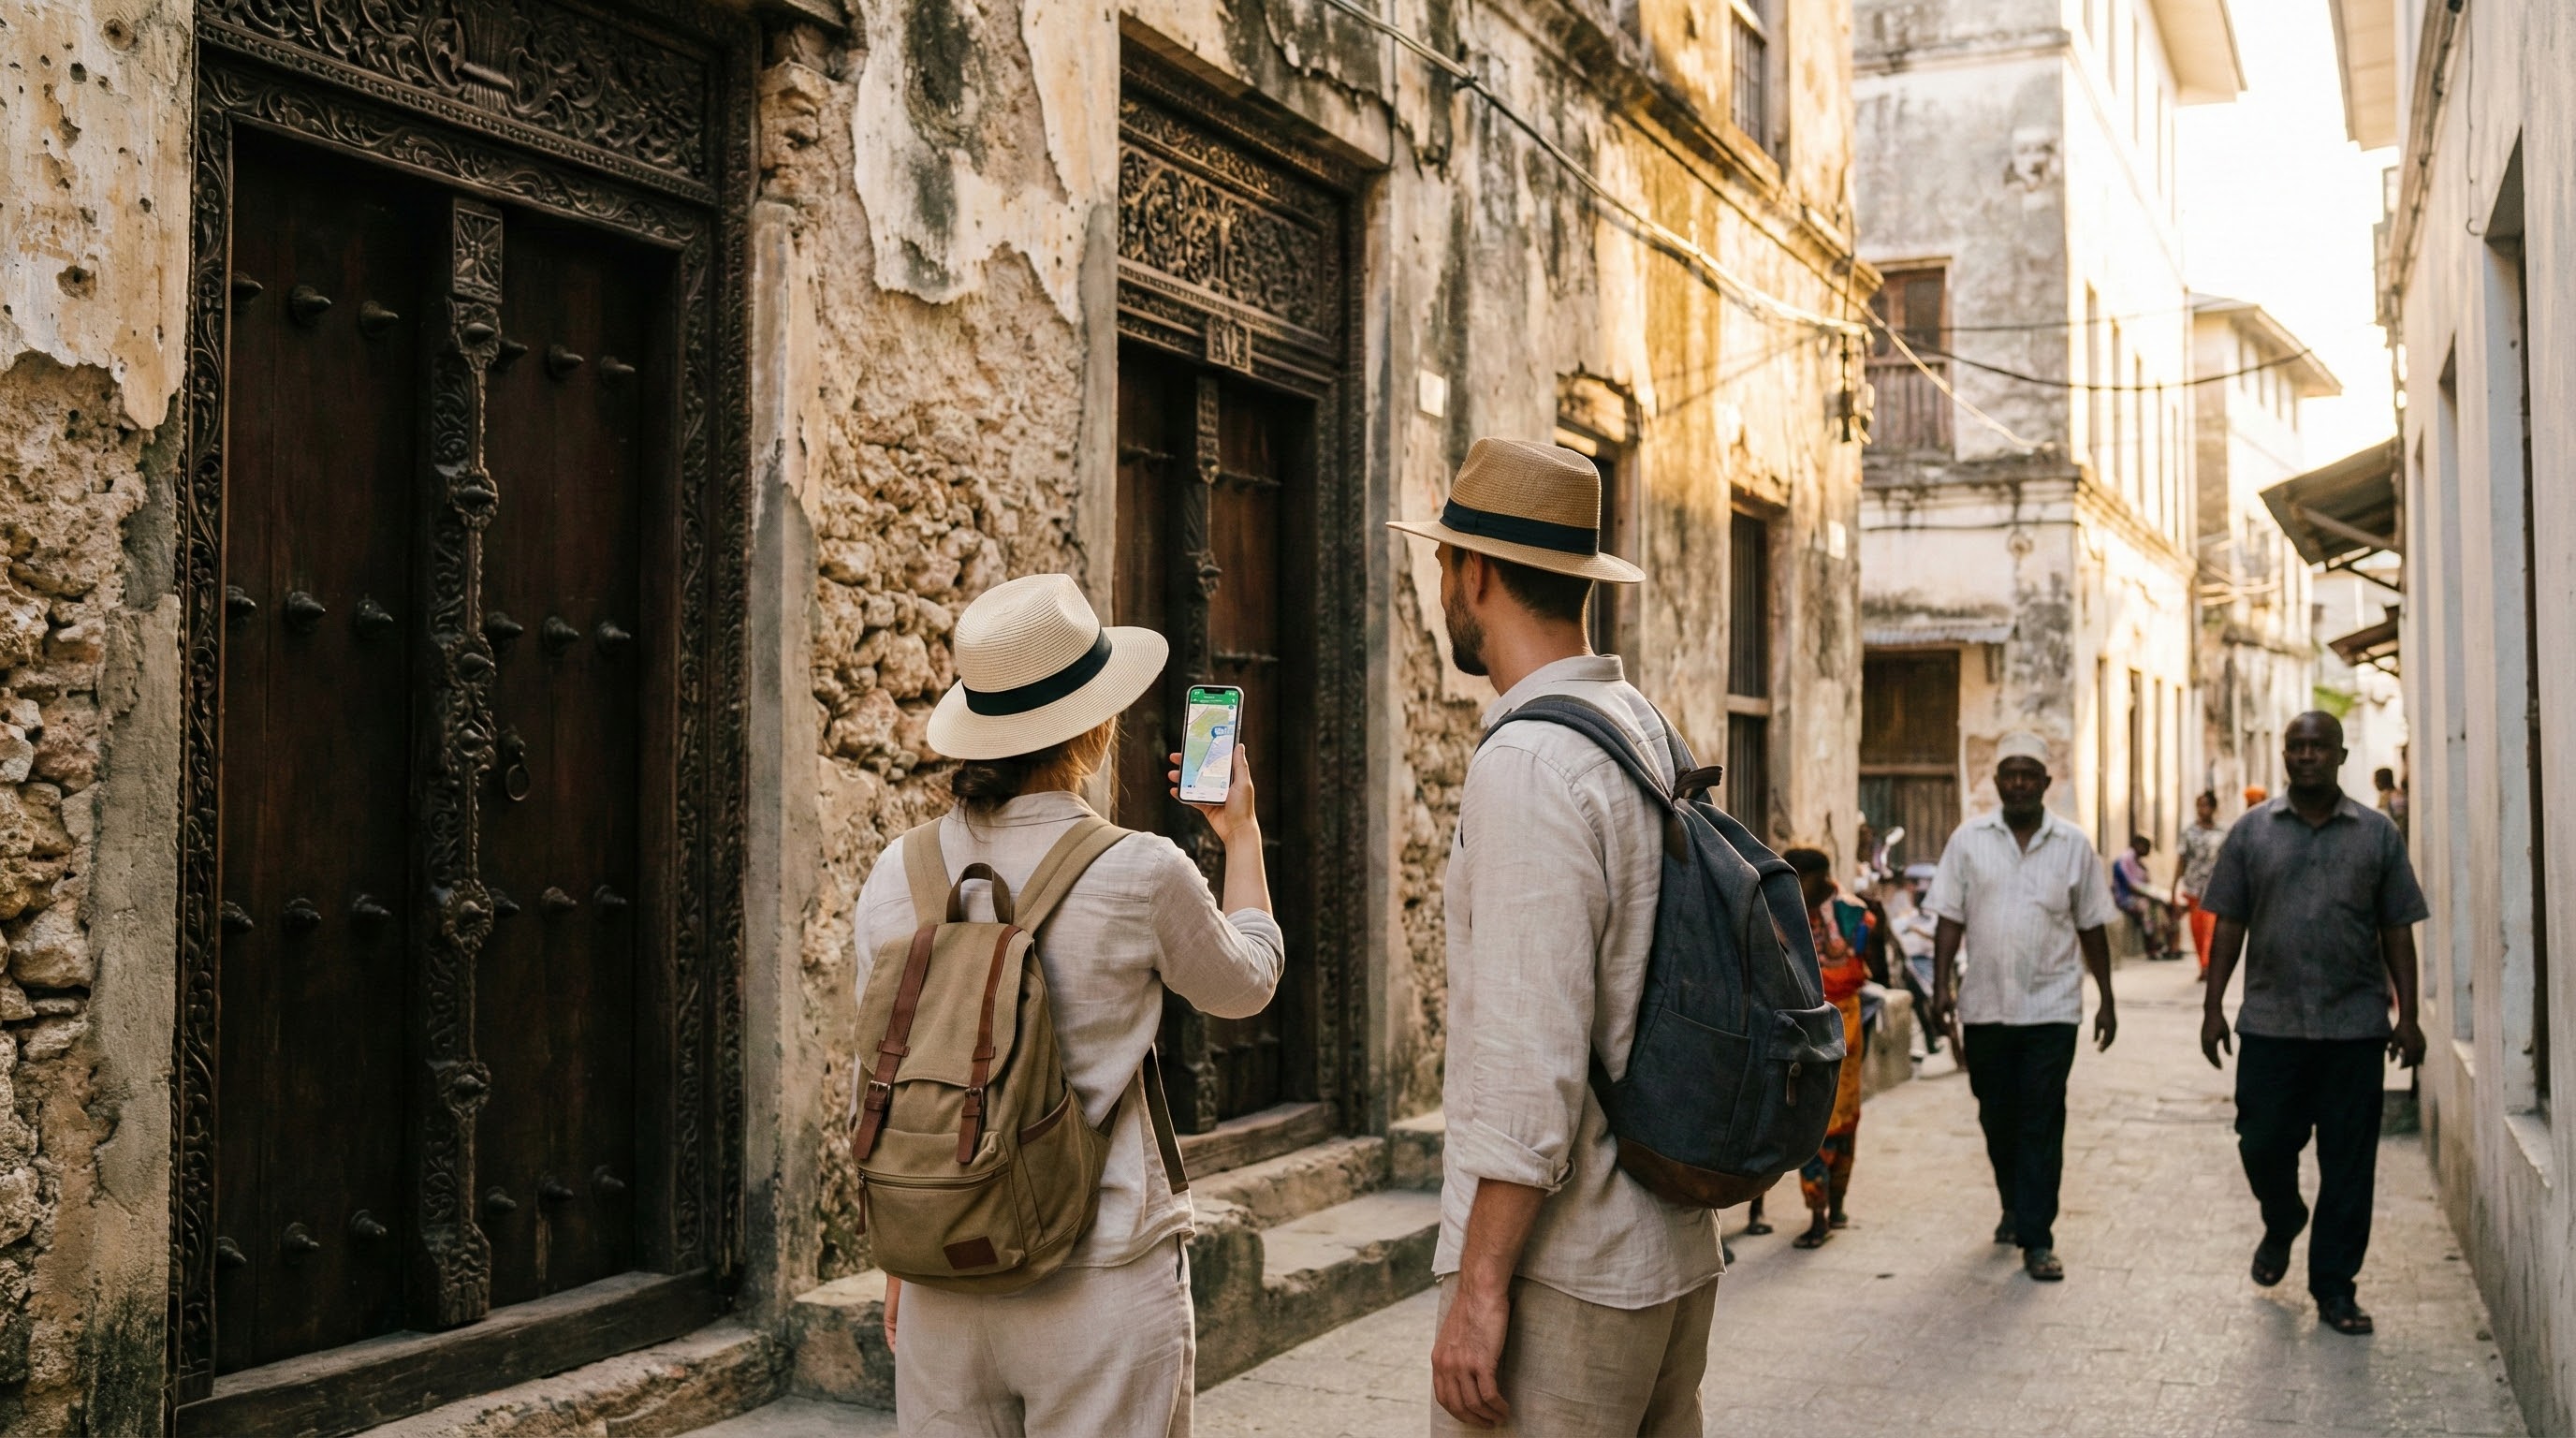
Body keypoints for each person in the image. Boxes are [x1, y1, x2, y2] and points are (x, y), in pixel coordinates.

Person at [850, 573, 1284, 1437]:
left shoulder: (897, 873)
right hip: (1104, 1276)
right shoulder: (1141, 869)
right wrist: (1240, 836)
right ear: (1095, 726)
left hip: (944, 1272)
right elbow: (1247, 983)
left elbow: (886, 1076)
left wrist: (909, 1250)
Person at [1390, 437, 1718, 1435]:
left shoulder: (1530, 762)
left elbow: (1531, 1064)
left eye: (1444, 560)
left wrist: (1480, 1289)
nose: (1442, 581)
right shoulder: (1639, 728)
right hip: (1665, 1248)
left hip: (1566, 1274)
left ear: (1473, 572)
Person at [2199, 712, 2428, 1338]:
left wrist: (2407, 1016)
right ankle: (2282, 1218)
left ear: (2340, 754)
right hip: (2271, 1026)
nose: (2306, 756)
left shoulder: (2377, 836)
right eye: (2295, 746)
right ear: (2284, 755)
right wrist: (2214, 1006)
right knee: (2262, 1142)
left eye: (2318, 746)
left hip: (2354, 1028)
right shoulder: (2252, 833)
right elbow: (2228, 924)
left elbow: (2397, 930)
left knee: (2349, 1166)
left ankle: (2335, 1289)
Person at [1923, 732, 2118, 1283]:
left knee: (2041, 1118)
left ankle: (2038, 1237)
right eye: (2009, 774)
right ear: (1998, 782)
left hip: (2052, 1008)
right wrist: (1941, 989)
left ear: (2045, 783)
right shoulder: (1969, 841)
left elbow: (2092, 925)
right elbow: (1948, 917)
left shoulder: (2074, 845)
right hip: (1985, 1004)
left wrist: (2105, 998)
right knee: (1996, 1114)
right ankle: (2014, 1202)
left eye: (2029, 775)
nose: (2018, 783)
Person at [1783, 847, 1872, 1248]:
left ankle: (1834, 1206)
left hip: (1845, 1022)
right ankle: (1819, 1212)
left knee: (1845, 1116)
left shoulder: (1855, 916)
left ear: (1820, 878)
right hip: (1804, 1023)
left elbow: (1863, 970)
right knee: (1814, 1118)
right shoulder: (1784, 912)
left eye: (1801, 878)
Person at [1891, 863, 1943, 1055]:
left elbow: (1936, 938)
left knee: (1929, 1005)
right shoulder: (1907, 917)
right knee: (1921, 1008)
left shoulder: (1931, 918)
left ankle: (1937, 1036)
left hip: (1930, 965)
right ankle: (1930, 1040)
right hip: (1911, 966)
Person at [2175, 791, 2226, 979]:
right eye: (2199, 805)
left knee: (2210, 928)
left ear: (2213, 808)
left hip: (2215, 887)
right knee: (2197, 929)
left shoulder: (2222, 832)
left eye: (2205, 805)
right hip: (2193, 887)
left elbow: (2228, 859)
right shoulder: (2189, 832)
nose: (2202, 809)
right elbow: (2181, 859)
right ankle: (2203, 964)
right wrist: (2175, 886)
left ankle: (2208, 965)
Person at [2111, 832, 2177, 959]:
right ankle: (2152, 948)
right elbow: (2131, 886)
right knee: (2148, 908)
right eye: (2147, 847)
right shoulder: (2124, 861)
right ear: (2137, 845)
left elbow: (2146, 885)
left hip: (2141, 897)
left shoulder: (2139, 863)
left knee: (2160, 907)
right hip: (2125, 898)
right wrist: (2151, 896)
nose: (2149, 851)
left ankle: (2164, 946)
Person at [2373, 765, 2409, 839]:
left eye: (2376, 780)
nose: (2374, 783)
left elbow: (2401, 824)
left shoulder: (2397, 798)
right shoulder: (2386, 796)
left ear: (2382, 781)